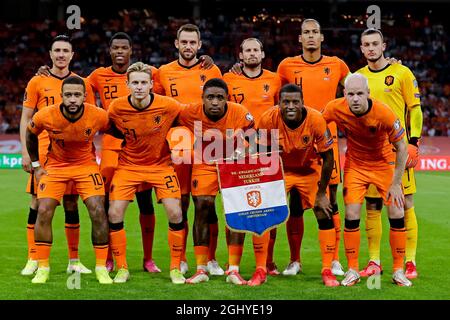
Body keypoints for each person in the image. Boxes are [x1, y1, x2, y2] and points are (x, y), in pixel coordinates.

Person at [276, 19, 351, 276]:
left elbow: (360, 87)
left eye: (315, 32)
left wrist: (388, 62)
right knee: (295, 203)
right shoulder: (286, 66)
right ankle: (294, 260)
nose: (310, 36)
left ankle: (334, 259)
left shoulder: (337, 65)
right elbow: (270, 96)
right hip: (296, 144)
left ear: (321, 38)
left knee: (331, 200)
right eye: (306, 32)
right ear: (300, 38)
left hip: (327, 142)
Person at [323, 73, 412, 287]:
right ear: (344, 94)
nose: (355, 99)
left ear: (368, 94)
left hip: (384, 164)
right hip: (355, 165)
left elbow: (401, 147)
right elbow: (317, 121)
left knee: (397, 212)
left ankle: (398, 270)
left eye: (359, 94)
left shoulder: (384, 113)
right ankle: (353, 269)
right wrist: (323, 143)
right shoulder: (335, 107)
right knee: (352, 214)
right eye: (350, 94)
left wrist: (396, 183)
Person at [25, 76, 112, 284]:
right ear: (61, 96)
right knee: (43, 209)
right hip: (55, 166)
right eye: (69, 95)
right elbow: (30, 134)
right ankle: (43, 267)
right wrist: (37, 165)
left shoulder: (98, 115)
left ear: (84, 97)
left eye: (77, 95)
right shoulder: (46, 115)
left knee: (97, 209)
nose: (73, 99)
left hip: (86, 165)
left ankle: (101, 268)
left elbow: (118, 130)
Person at [87, 32, 162, 273]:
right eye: (115, 48)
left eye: (124, 48)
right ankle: (109, 258)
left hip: (142, 148)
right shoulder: (98, 75)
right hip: (111, 148)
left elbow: (170, 88)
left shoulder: (149, 74)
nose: (120, 51)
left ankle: (148, 259)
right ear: (110, 51)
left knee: (145, 203)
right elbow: (71, 83)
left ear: (131, 50)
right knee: (109, 205)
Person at [20, 35, 94, 276]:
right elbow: (25, 118)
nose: (61, 54)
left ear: (72, 55)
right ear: (50, 54)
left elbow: (90, 117)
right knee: (39, 203)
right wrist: (24, 150)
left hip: (74, 154)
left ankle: (74, 260)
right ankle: (33, 258)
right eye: (57, 50)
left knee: (72, 203)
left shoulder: (81, 84)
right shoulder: (36, 82)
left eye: (65, 51)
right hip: (42, 152)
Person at [106, 62, 186, 284]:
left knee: (175, 213)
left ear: (151, 84)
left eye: (143, 82)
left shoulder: (169, 106)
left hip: (161, 166)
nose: (139, 87)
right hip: (128, 167)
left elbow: (189, 118)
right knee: (114, 213)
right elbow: (104, 126)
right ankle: (122, 268)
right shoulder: (116, 108)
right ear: (127, 84)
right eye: (135, 83)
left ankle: (175, 268)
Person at [156, 23, 223, 276]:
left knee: (207, 204)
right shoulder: (163, 72)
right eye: (183, 42)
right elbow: (159, 109)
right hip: (180, 142)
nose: (188, 46)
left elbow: (222, 100)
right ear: (176, 44)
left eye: (192, 42)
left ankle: (211, 259)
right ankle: (181, 258)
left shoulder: (212, 69)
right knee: (181, 202)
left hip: (209, 143)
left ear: (199, 45)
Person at [357, 28, 423, 279]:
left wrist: (414, 141)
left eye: (375, 43)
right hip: (370, 153)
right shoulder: (358, 78)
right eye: (366, 44)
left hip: (397, 151)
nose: (371, 48)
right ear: (361, 48)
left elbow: (415, 108)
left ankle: (410, 261)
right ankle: (374, 260)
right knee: (372, 205)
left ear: (384, 45)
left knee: (405, 203)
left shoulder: (401, 72)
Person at [257, 84, 338, 287]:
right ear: (279, 104)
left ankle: (327, 269)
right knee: (266, 214)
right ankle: (262, 267)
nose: (291, 106)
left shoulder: (316, 120)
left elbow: (329, 158)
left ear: (302, 103)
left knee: (323, 211)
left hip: (308, 170)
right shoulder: (268, 119)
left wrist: (321, 193)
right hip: (279, 170)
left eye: (295, 102)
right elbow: (261, 153)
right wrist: (265, 184)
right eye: (286, 102)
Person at [177, 78, 255, 284]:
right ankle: (201, 268)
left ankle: (233, 269)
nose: (214, 102)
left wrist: (242, 149)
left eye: (219, 98)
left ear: (226, 99)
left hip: (232, 165)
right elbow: (170, 122)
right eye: (210, 97)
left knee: (236, 211)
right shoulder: (189, 112)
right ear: (202, 99)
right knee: (202, 207)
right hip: (204, 164)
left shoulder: (239, 112)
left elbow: (252, 133)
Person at [223, 38, 282, 278]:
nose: (251, 54)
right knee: (235, 206)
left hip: (267, 149)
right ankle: (232, 264)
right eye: (247, 50)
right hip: (236, 149)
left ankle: (268, 261)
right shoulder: (229, 79)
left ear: (262, 53)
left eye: (256, 49)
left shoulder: (275, 79)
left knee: (269, 208)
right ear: (241, 54)